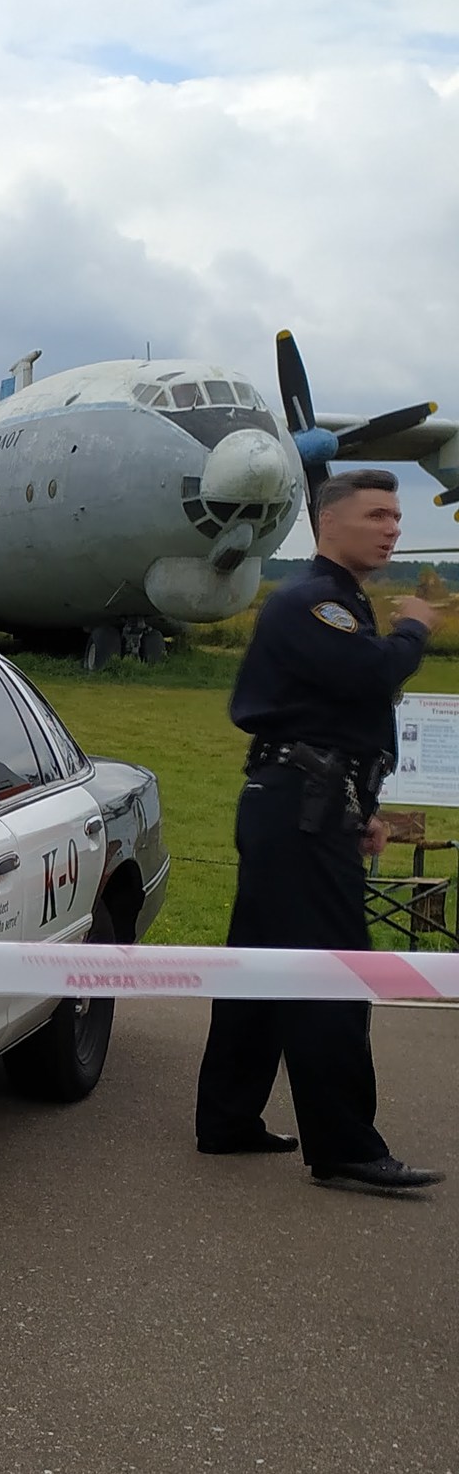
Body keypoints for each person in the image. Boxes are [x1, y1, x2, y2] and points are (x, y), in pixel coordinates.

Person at [194, 468, 445, 1195]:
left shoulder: (334, 602)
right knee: (335, 972)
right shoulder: (315, 603)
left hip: (302, 801)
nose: (393, 526)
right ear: (329, 522)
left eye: (397, 515)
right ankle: (345, 1146)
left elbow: (336, 717)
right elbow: (369, 676)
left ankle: (228, 1119)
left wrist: (360, 808)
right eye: (377, 514)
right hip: (299, 809)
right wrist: (412, 629)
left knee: (259, 968)